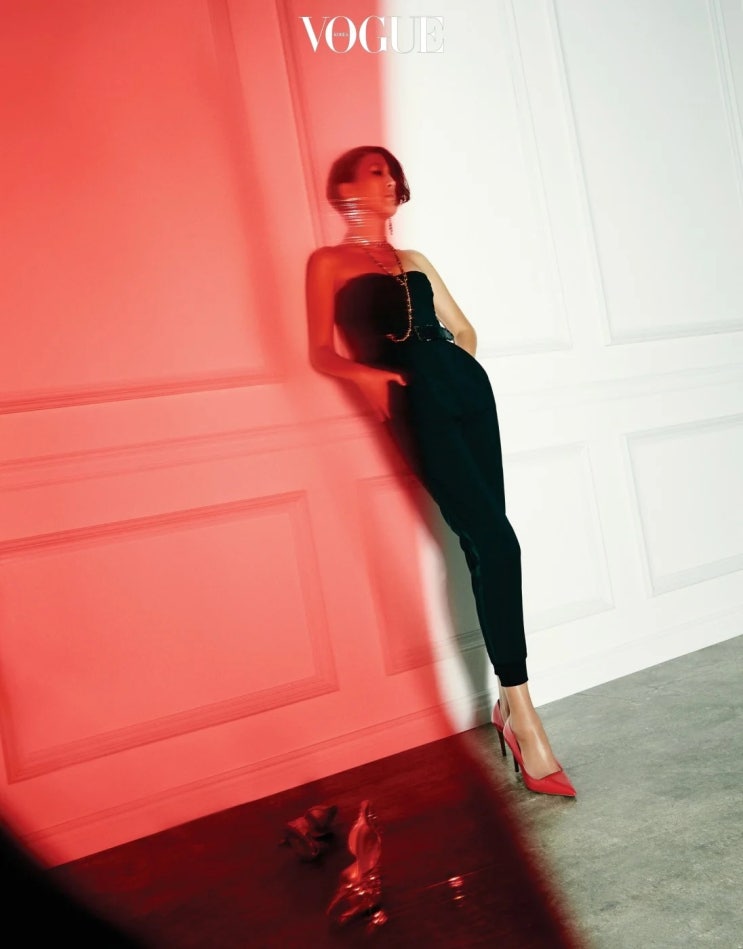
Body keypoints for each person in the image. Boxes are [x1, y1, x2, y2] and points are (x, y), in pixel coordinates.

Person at [305, 145, 575, 798]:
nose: (388, 180)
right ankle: (523, 714)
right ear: (345, 187)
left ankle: (509, 705)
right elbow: (318, 352)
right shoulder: (328, 262)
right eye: (375, 170)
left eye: (392, 173)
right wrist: (374, 376)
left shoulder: (416, 260)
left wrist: (457, 369)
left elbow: (464, 330)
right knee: (496, 541)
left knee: (489, 542)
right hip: (415, 400)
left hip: (466, 391)